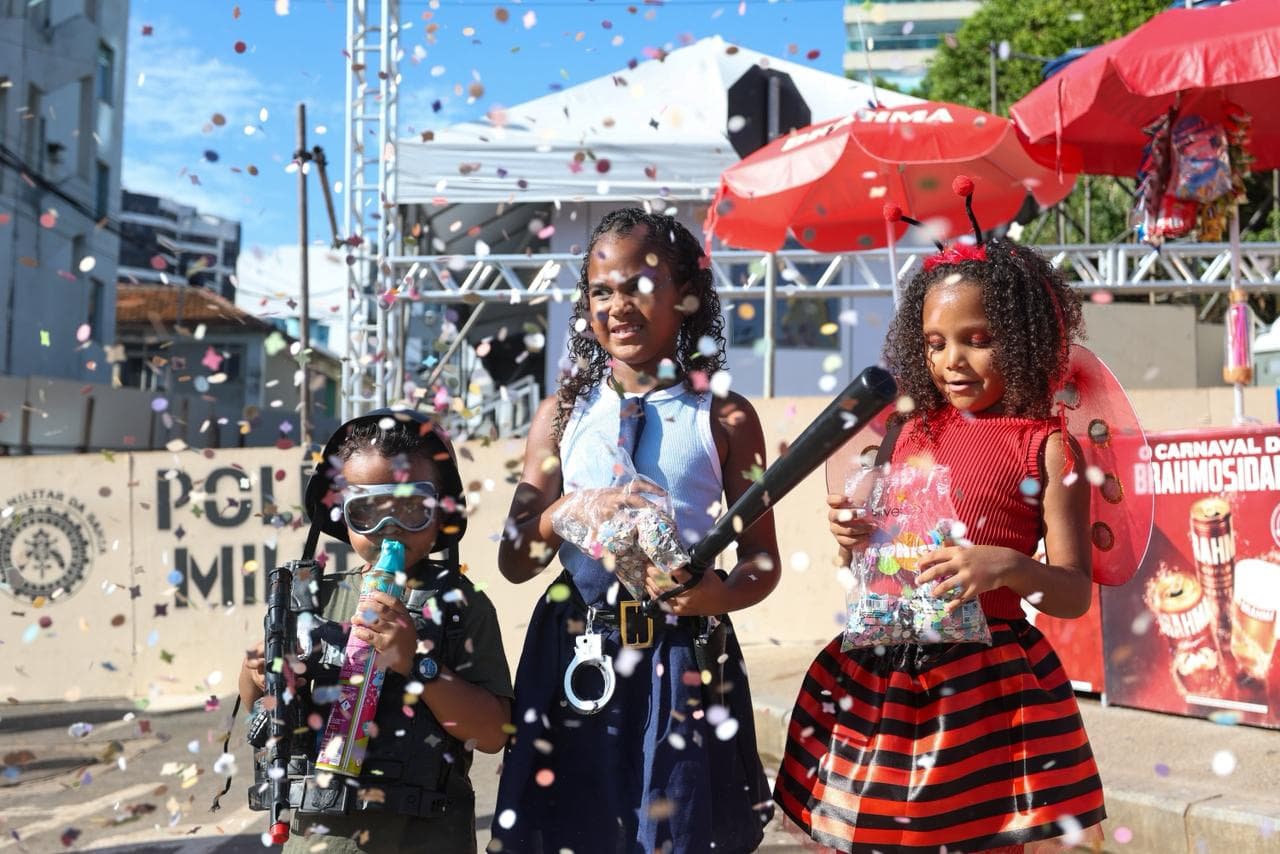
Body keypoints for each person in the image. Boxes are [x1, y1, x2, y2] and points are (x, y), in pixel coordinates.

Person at [775, 235, 1108, 853]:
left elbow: (1072, 593)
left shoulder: (1049, 447)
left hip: (987, 689)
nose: (951, 361)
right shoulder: (906, 430)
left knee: (978, 833)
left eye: (976, 340)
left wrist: (1007, 566)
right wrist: (854, 536)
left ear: (1028, 336)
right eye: (934, 344)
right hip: (886, 675)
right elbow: (876, 557)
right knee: (882, 834)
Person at [490, 208, 781, 853]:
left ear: (686, 297)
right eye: (602, 291)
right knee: (570, 824)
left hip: (684, 656)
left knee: (676, 829)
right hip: (571, 649)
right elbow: (514, 561)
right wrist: (562, 513)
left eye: (639, 287)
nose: (618, 306)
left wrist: (718, 594)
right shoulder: (558, 414)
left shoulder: (727, 417)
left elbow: (762, 560)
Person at [237, 408, 513, 853]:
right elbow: (259, 708)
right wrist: (258, 674)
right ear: (340, 514)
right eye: (368, 510)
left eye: (411, 508)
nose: (391, 529)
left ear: (440, 512)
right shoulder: (312, 599)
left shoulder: (461, 605)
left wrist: (416, 663)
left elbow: (493, 734)